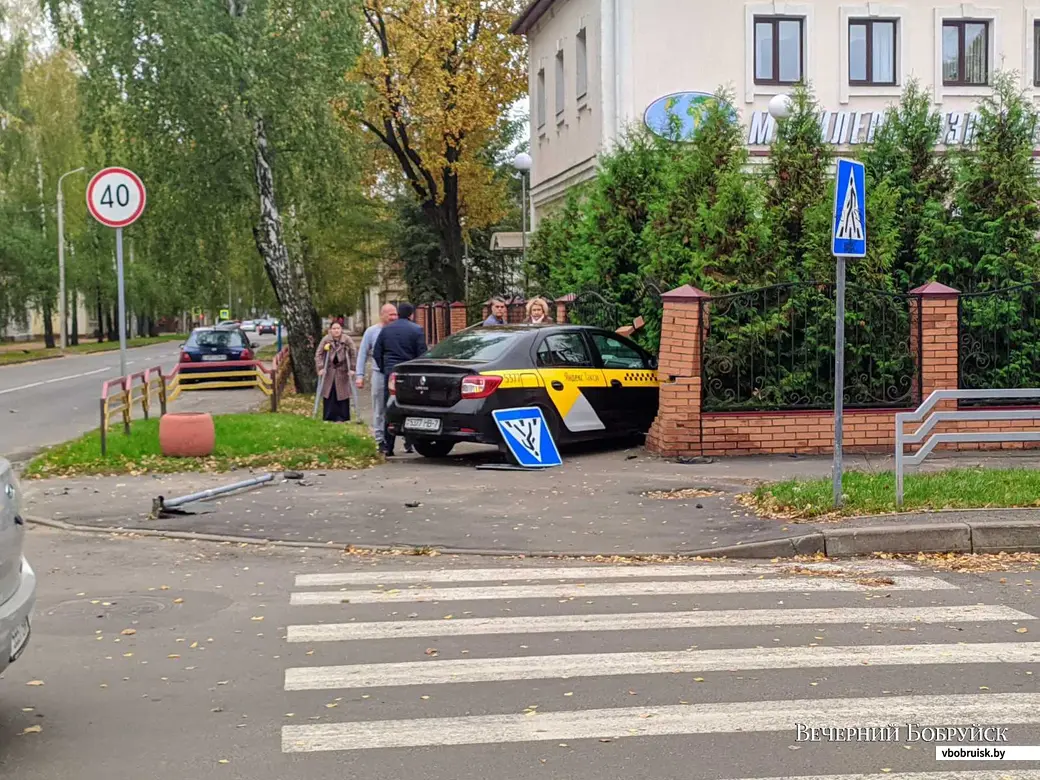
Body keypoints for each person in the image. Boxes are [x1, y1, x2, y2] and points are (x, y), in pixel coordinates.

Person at [374, 302, 428, 456]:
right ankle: (409, 442)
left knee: (389, 407)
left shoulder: (386, 330)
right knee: (411, 407)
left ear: (398, 314)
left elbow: (377, 352)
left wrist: (386, 368)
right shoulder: (416, 330)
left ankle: (388, 446)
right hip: (409, 373)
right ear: (411, 314)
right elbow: (421, 354)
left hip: (391, 373)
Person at [355, 303, 399, 448]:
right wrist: (359, 375)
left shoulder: (399, 330)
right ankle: (380, 438)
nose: (394, 318)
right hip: (379, 374)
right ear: (382, 315)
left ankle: (406, 439)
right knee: (379, 407)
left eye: (395, 314)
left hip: (396, 375)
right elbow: (362, 354)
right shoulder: (372, 332)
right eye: (390, 315)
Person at [314, 321, 357, 423]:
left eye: (338, 328)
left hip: (342, 370)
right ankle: (329, 417)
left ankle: (343, 417)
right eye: (334, 329)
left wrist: (352, 368)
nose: (336, 330)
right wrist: (320, 368)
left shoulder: (347, 339)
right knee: (330, 392)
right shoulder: (326, 339)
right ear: (330, 330)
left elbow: (353, 353)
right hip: (329, 370)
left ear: (341, 329)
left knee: (342, 393)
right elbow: (318, 354)